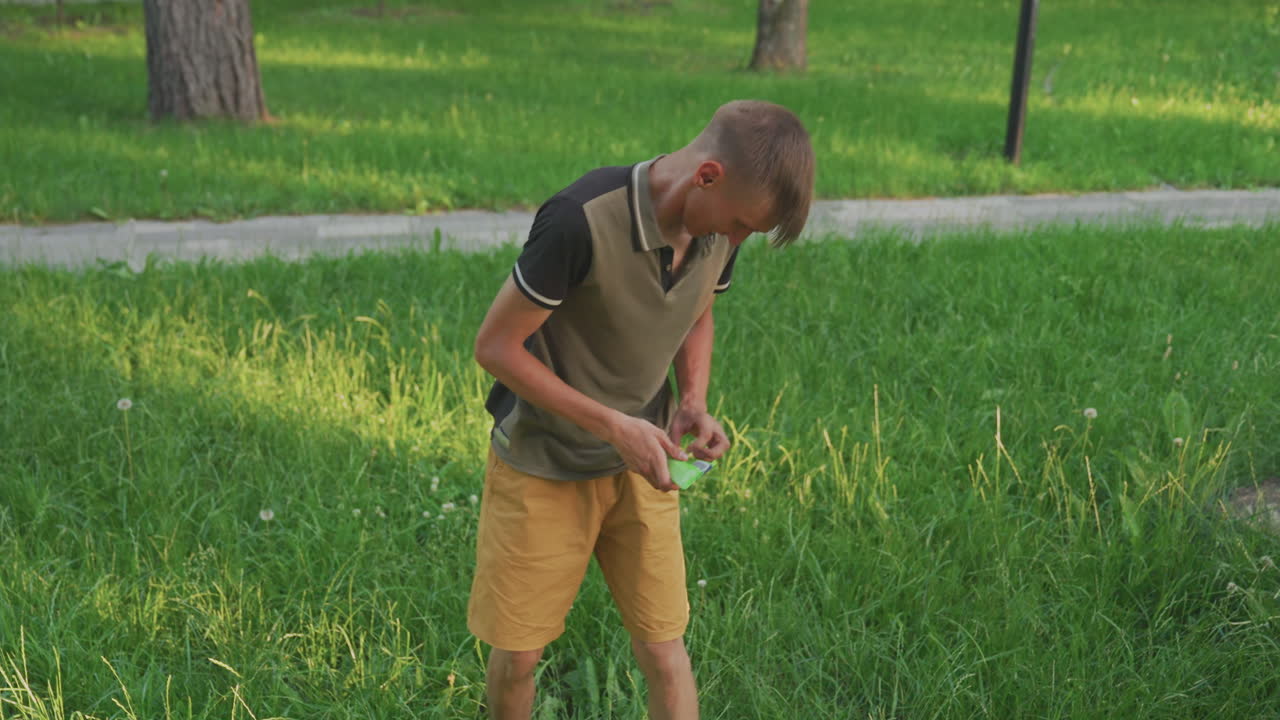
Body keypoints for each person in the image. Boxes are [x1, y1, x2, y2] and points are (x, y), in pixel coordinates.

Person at [468, 99, 815, 720]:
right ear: (706, 176)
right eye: (739, 225)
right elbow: (495, 347)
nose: (735, 242)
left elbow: (699, 306)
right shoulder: (578, 221)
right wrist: (611, 425)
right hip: (543, 463)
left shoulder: (717, 227)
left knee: (664, 646)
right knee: (520, 654)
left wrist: (694, 400)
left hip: (644, 464)